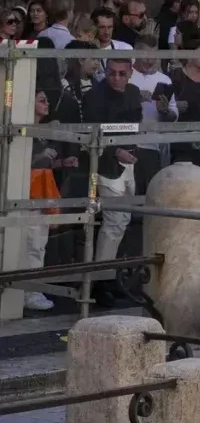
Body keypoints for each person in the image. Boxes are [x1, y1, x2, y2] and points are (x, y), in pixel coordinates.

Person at [82, 58, 143, 305]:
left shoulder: (134, 92)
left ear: (130, 73)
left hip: (128, 160)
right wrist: (116, 151)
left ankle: (108, 276)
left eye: (122, 74)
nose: (117, 78)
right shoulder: (95, 96)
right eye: (112, 74)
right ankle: (101, 281)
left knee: (122, 221)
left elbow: (135, 124)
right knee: (113, 222)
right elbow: (91, 133)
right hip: (105, 164)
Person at [23, 88, 79, 310]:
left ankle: (31, 291)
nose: (47, 104)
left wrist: (60, 163)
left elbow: (42, 165)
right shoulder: (22, 128)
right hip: (24, 195)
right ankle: (28, 293)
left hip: (41, 194)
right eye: (42, 100)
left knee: (38, 246)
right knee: (29, 246)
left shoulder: (43, 132)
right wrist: (42, 156)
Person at [129, 36, 178, 196]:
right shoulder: (125, 75)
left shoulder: (164, 80)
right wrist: (134, 96)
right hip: (127, 143)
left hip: (153, 147)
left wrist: (165, 111)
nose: (150, 61)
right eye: (146, 56)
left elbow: (173, 115)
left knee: (151, 194)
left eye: (154, 56)